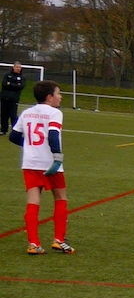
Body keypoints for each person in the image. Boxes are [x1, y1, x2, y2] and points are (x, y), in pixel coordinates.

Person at [8, 80, 74, 254]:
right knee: (60, 197)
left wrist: (30, 146)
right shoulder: (54, 113)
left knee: (33, 200)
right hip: (50, 162)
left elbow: (13, 136)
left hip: (30, 163)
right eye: (58, 93)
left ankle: (33, 244)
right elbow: (53, 135)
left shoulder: (27, 112)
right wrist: (57, 157)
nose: (60, 97)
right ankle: (59, 240)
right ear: (49, 97)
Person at [1, 62, 26, 136]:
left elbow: (20, 87)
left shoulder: (22, 77)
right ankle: (3, 130)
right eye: (17, 67)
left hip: (14, 99)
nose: (18, 69)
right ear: (13, 67)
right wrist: (15, 85)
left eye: (19, 67)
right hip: (4, 97)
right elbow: (4, 84)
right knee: (3, 114)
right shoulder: (7, 75)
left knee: (13, 115)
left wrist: (10, 84)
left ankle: (15, 130)